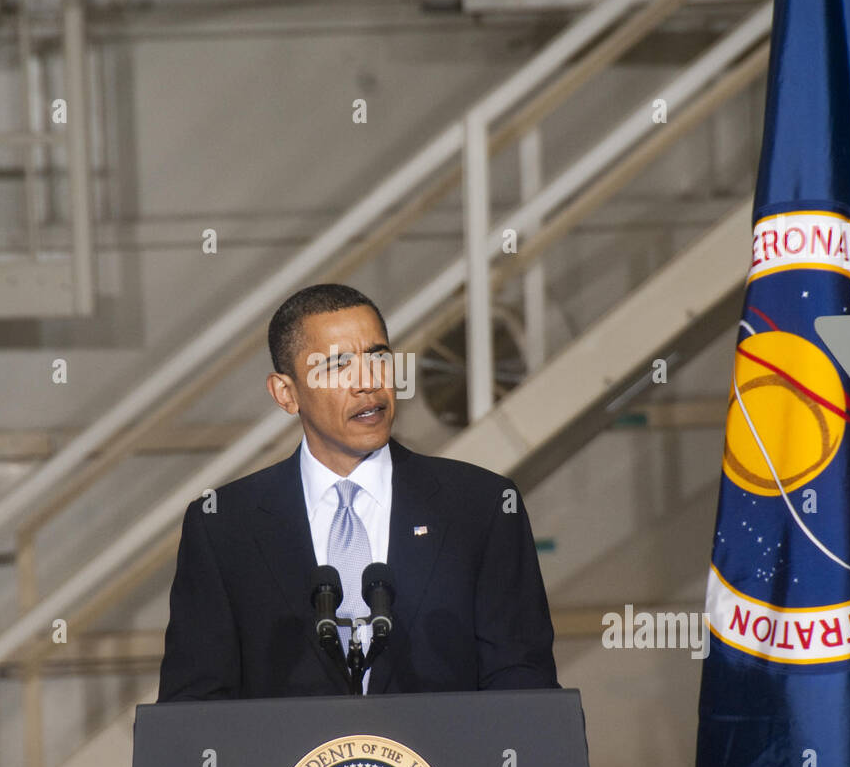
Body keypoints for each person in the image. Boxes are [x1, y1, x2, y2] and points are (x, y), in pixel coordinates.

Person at [157, 283, 559, 700]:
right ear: (286, 393)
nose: (368, 383)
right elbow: (194, 709)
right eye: (337, 366)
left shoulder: (481, 508)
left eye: (379, 358)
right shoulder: (224, 525)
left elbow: (524, 688)